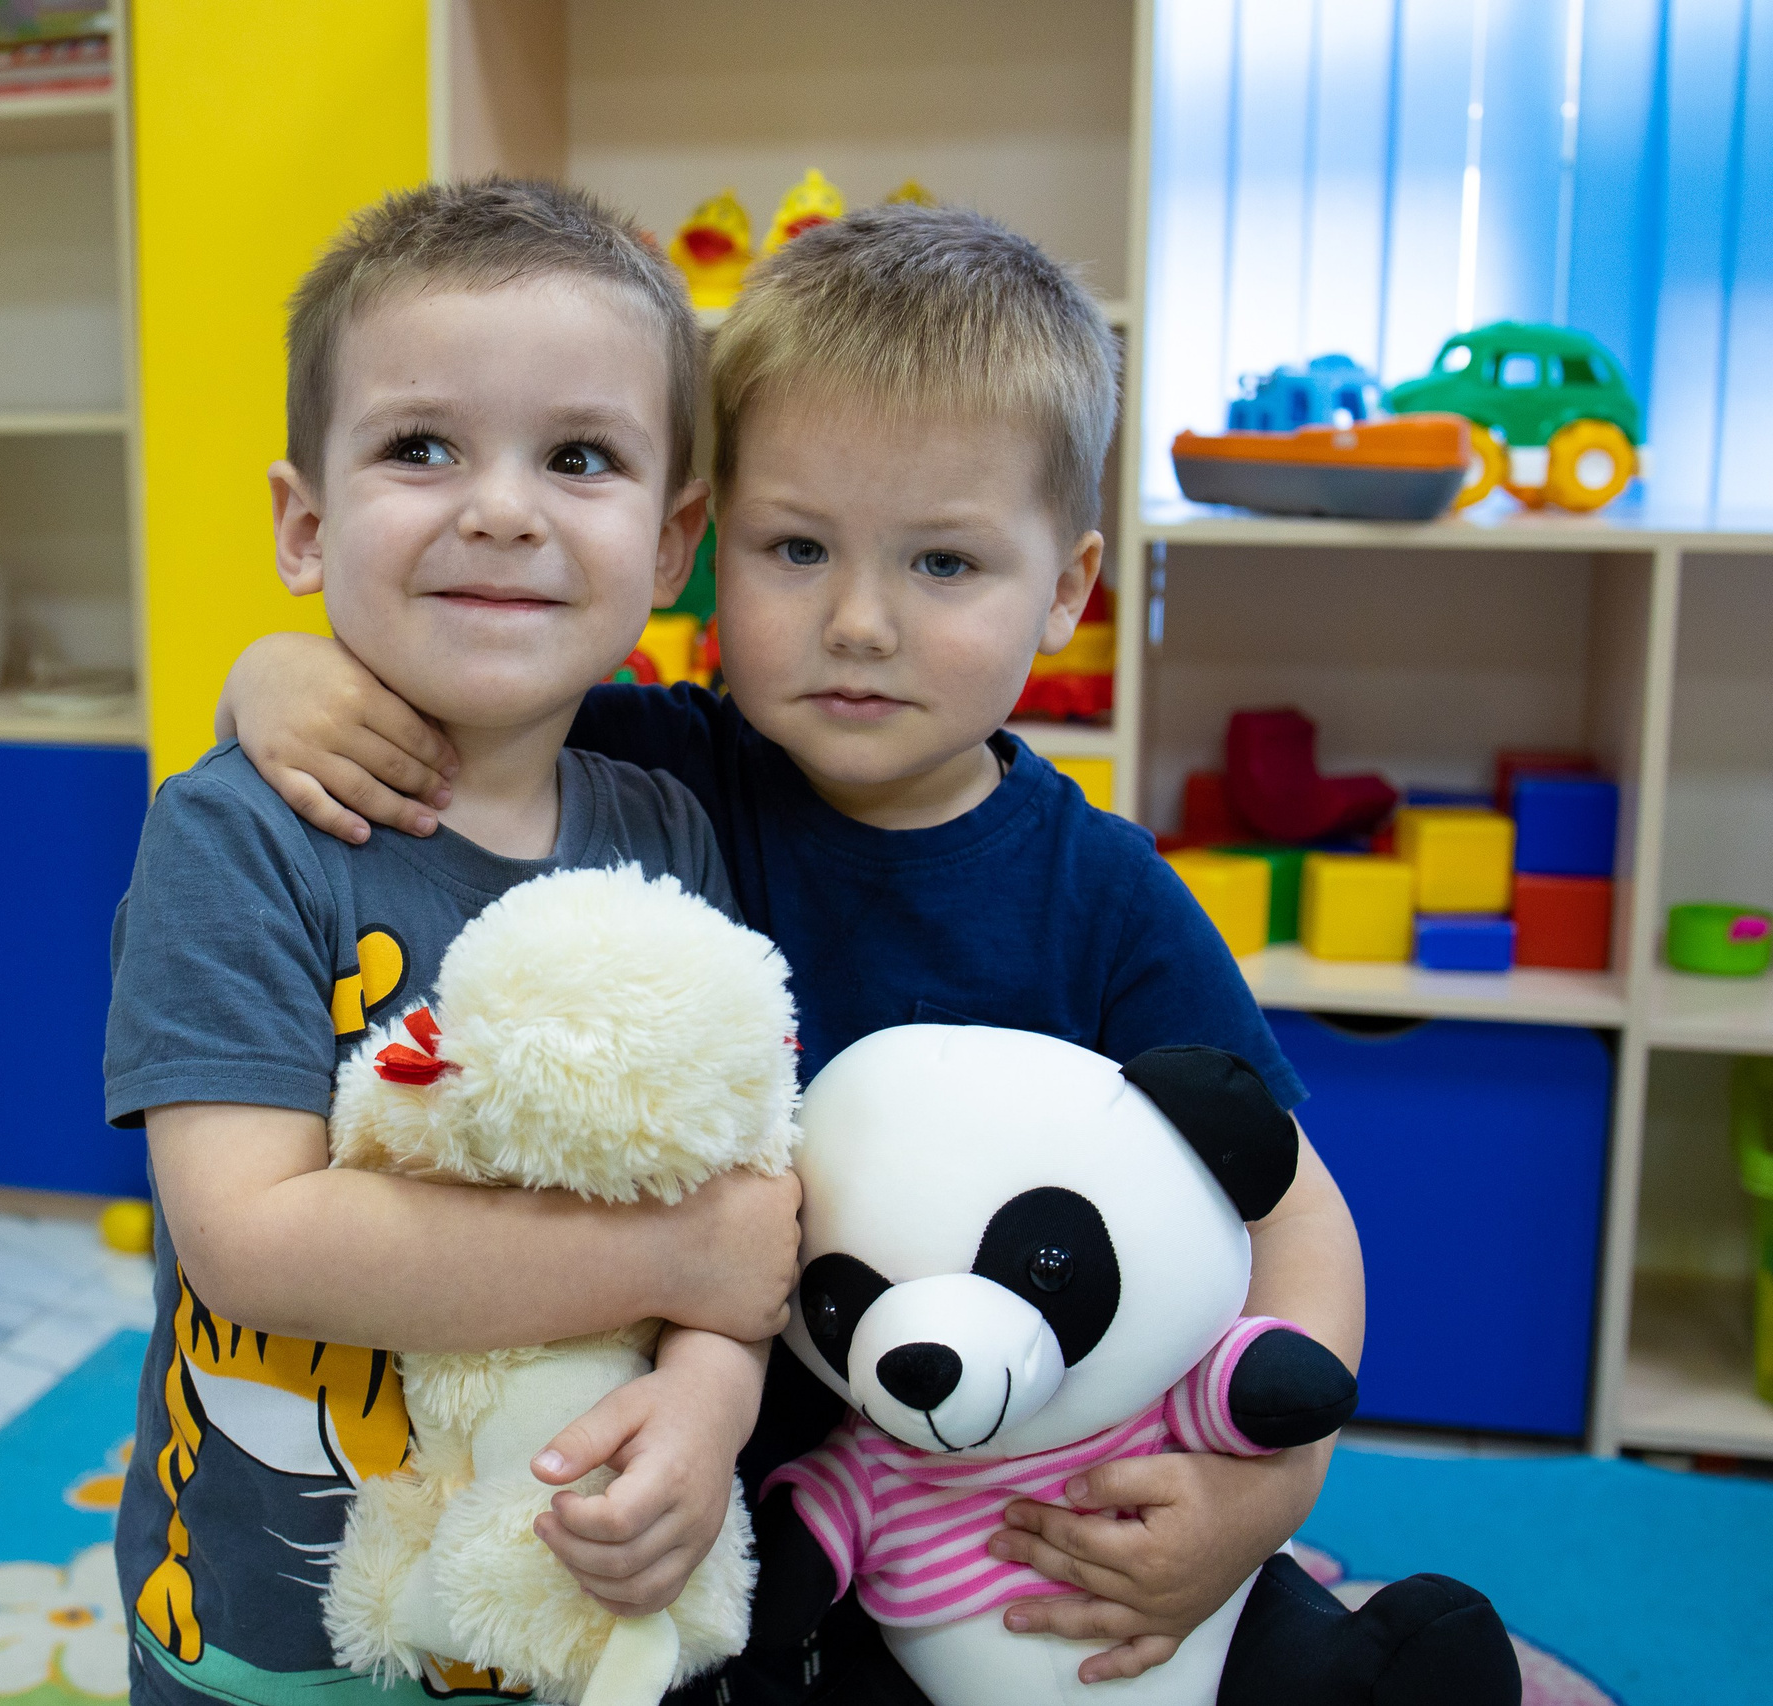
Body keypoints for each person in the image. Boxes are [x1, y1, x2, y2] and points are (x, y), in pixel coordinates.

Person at [216, 204, 1372, 1702]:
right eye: (797, 547)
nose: (860, 622)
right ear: (706, 552)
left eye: (946, 563)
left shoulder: (1100, 892)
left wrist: (1270, 1491)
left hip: (1005, 1527)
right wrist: (277, 669)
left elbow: (1293, 1207)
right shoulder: (647, 769)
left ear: (1070, 587)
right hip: (723, 1522)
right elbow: (434, 693)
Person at [102, 177, 802, 1705]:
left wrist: (708, 1398)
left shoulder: (668, 830)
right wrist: (682, 1255)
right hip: (277, 1644)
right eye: (422, 447)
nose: (501, 506)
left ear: (674, 536)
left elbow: (743, 1211)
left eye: (580, 456)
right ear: (305, 520)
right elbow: (255, 1239)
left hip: (576, 1609)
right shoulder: (237, 836)